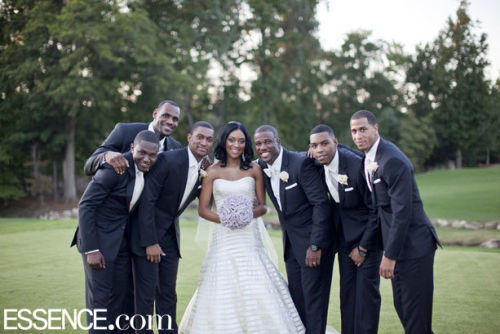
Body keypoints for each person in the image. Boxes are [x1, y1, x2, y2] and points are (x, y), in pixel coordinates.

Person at [179, 122, 305, 333]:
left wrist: (246, 215)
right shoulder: (212, 171)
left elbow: (263, 206)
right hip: (223, 237)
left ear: (246, 144)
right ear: (224, 141)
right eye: (231, 140)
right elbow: (202, 209)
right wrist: (226, 219)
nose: (236, 145)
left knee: (256, 282)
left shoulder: (254, 169)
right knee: (220, 283)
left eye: (241, 141)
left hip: (248, 237)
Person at [350, 110, 441, 334]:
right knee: (404, 309)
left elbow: (402, 213)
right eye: (353, 131)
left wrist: (389, 256)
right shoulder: (369, 158)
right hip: (400, 246)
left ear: (375, 128)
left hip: (413, 246)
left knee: (415, 318)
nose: (358, 135)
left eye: (363, 129)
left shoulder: (392, 161)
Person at [71, 130, 159, 333]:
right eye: (142, 153)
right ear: (131, 149)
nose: (146, 159)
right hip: (97, 245)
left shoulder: (144, 172)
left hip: (119, 245)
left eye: (152, 155)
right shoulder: (115, 169)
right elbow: (86, 206)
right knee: (99, 303)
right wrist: (91, 249)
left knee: (119, 299)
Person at [253, 125, 334, 334]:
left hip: (313, 247)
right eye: (259, 143)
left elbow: (321, 204)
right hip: (291, 247)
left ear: (278, 142)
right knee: (297, 301)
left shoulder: (301, 163)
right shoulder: (261, 167)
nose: (263, 147)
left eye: (268, 141)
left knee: (314, 303)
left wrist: (315, 245)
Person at [136, 121, 215, 333]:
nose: (203, 142)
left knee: (168, 293)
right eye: (199, 137)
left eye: (208, 139)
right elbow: (147, 201)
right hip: (148, 236)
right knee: (145, 294)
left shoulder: (205, 169)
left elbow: (208, 199)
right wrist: (150, 241)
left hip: (171, 238)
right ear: (189, 137)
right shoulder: (167, 160)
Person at [309, 124, 381, 334]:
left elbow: (375, 210)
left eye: (324, 143)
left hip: (369, 241)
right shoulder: (315, 162)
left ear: (336, 143)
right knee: (347, 296)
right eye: (315, 145)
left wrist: (364, 248)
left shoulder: (356, 166)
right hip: (344, 241)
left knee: (366, 298)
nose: (320, 149)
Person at [84, 100, 182, 176]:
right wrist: (106, 156)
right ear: (155, 114)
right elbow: (88, 166)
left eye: (175, 119)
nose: (170, 122)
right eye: (166, 115)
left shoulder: (176, 147)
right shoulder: (124, 131)